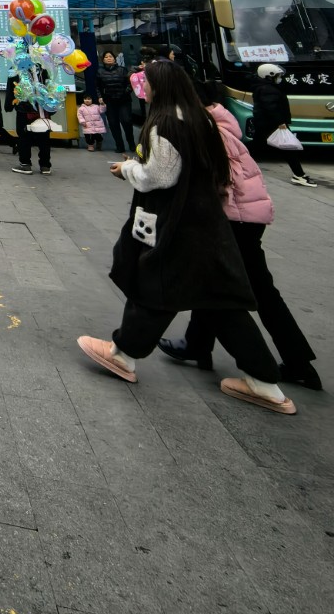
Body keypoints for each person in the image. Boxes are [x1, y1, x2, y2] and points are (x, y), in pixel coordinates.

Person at [76, 60, 296, 415]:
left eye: (145, 82)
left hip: (177, 224)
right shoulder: (200, 118)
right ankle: (265, 384)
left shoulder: (165, 123)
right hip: (208, 223)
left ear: (159, 86)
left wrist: (127, 168)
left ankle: (123, 355)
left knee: (153, 288)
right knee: (223, 304)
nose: (142, 88)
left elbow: (157, 177)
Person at [159, 84, 321, 390]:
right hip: (247, 216)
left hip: (236, 219)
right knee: (215, 282)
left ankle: (296, 363)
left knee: (255, 291)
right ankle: (197, 344)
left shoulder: (209, 131)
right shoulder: (220, 124)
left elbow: (218, 180)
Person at [251, 63, 316, 186]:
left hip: (265, 123)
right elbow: (272, 108)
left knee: (255, 149)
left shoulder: (263, 87)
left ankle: (236, 170)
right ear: (268, 76)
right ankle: (299, 175)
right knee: (288, 148)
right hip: (273, 124)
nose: (280, 78)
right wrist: (281, 122)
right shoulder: (268, 89)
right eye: (278, 76)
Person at [7, 70, 51, 175]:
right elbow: (49, 87)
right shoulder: (42, 68)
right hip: (42, 110)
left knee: (24, 137)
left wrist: (9, 105)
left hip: (24, 110)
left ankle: (25, 164)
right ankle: (45, 165)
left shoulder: (17, 69)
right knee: (44, 138)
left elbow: (11, 89)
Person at [96, 49, 136, 154]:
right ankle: (119, 146)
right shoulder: (100, 71)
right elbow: (97, 87)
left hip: (124, 100)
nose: (108, 58)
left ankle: (131, 143)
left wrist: (126, 92)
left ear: (114, 58)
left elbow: (130, 83)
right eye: (106, 57)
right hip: (109, 101)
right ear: (103, 60)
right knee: (113, 124)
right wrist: (100, 97)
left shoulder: (122, 70)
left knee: (126, 121)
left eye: (110, 56)